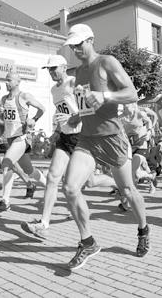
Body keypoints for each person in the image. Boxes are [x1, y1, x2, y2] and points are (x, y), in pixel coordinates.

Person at [62, 24, 150, 270]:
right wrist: (77, 117)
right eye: (73, 46)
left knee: (128, 191)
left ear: (91, 40)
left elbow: (131, 93)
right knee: (70, 188)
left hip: (112, 137)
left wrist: (106, 96)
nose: (76, 49)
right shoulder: (78, 73)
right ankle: (87, 241)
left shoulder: (106, 62)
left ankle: (143, 229)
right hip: (88, 139)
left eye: (80, 44)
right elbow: (88, 106)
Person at [21, 55, 115, 239]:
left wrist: (73, 119)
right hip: (65, 137)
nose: (51, 72)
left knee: (91, 182)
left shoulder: (74, 83)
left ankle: (118, 184)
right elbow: (60, 111)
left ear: (64, 67)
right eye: (49, 69)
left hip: (83, 136)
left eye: (54, 68)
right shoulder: (54, 90)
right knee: (53, 176)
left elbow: (90, 108)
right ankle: (43, 223)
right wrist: (57, 130)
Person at [0, 71, 46, 213]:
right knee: (29, 171)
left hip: (22, 138)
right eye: (6, 80)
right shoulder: (3, 100)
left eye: (9, 80)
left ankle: (5, 202)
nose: (7, 83)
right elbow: (3, 121)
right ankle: (50, 185)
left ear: (18, 82)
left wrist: (34, 120)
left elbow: (42, 109)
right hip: (11, 139)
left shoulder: (24, 96)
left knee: (6, 164)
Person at [120, 102, 157, 195]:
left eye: (126, 104)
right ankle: (151, 178)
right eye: (123, 105)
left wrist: (149, 131)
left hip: (141, 144)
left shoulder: (140, 113)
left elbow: (149, 121)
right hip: (130, 146)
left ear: (132, 105)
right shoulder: (121, 117)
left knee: (133, 170)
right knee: (142, 167)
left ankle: (130, 196)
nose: (124, 106)